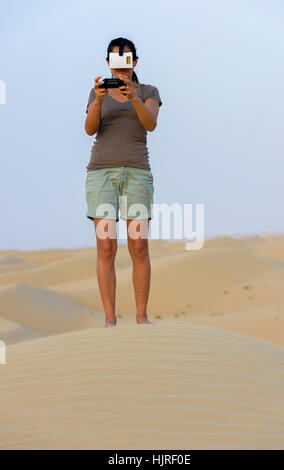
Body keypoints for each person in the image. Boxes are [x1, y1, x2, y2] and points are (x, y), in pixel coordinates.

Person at [84, 37, 162, 328]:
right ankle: (109, 320)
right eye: (115, 60)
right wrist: (100, 98)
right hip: (101, 175)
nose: (120, 66)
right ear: (108, 63)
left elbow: (150, 123)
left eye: (126, 60)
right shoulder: (97, 93)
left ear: (135, 62)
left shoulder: (149, 91)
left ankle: (142, 317)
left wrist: (133, 98)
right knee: (106, 247)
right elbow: (90, 129)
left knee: (138, 246)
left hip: (137, 175)